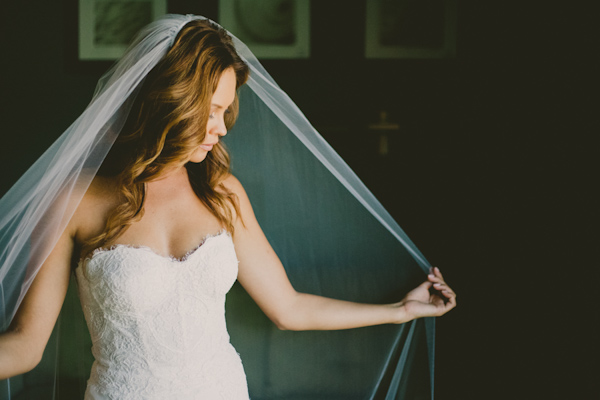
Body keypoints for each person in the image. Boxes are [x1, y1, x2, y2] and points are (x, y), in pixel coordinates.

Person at [0, 15, 456, 399]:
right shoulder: (74, 202)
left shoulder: (223, 194)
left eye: (227, 111)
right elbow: (25, 347)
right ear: (173, 102)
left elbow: (289, 308)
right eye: (212, 110)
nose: (221, 127)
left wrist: (400, 309)